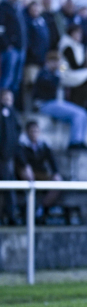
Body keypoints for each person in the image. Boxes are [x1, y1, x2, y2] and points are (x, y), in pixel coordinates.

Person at [32, 52, 87, 150]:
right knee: (77, 114)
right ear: (48, 62)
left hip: (54, 103)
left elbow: (65, 76)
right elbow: (52, 84)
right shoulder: (43, 73)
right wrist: (59, 73)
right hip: (44, 104)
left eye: (57, 62)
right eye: (54, 61)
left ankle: (81, 140)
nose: (56, 64)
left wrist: (61, 70)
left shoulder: (54, 74)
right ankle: (74, 142)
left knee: (83, 113)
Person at [16, 120, 63, 214]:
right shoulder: (21, 144)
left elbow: (52, 160)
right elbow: (20, 159)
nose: (34, 134)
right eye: (32, 131)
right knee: (27, 175)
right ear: (27, 132)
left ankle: (41, 208)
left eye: (36, 131)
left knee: (58, 181)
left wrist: (55, 172)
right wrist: (26, 166)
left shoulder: (44, 144)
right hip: (26, 175)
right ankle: (27, 206)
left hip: (41, 174)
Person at [58, 24, 87, 110]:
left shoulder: (77, 46)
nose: (79, 36)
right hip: (66, 73)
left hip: (73, 72)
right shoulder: (67, 46)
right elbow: (73, 65)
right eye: (76, 33)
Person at [0, 0, 27, 98]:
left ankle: (11, 107)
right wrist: (7, 45)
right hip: (10, 49)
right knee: (7, 78)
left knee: (16, 80)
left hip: (20, 48)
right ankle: (4, 106)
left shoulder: (17, 7)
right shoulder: (3, 6)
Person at [0, 90, 21, 225]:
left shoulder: (12, 113)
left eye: (10, 97)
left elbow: (15, 136)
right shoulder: (4, 113)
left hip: (9, 157)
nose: (7, 100)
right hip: (4, 157)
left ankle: (11, 215)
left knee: (9, 187)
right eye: (5, 97)